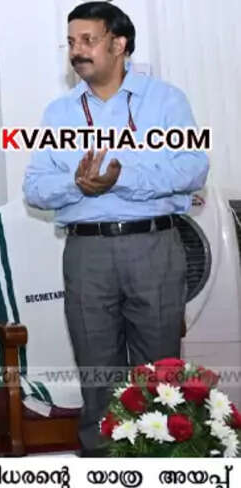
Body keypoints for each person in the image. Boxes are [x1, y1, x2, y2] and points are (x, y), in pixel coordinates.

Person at [22, 2, 209, 455]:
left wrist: (120, 178)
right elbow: (35, 188)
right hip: (88, 255)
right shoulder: (60, 112)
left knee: (159, 374)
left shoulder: (166, 101)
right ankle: (103, 476)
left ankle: (162, 473)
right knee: (97, 374)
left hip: (154, 246)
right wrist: (77, 184)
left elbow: (191, 168)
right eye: (70, 42)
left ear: (119, 44)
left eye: (87, 40)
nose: (76, 51)